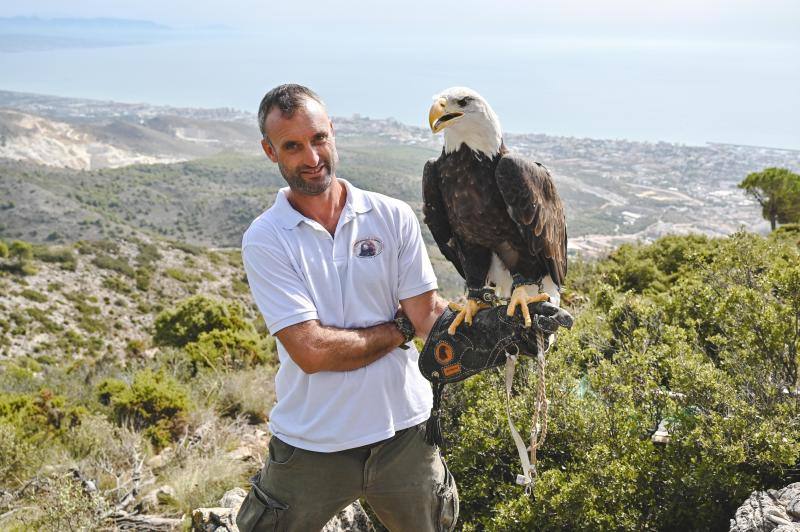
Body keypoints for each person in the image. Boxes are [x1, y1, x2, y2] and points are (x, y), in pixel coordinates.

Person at [236, 84, 458, 532]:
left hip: (404, 436)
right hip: (312, 442)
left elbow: (426, 315)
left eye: (318, 138)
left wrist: (490, 323)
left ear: (332, 132)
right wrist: (398, 330)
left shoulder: (392, 216)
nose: (312, 157)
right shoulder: (267, 237)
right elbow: (312, 352)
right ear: (269, 151)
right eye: (292, 146)